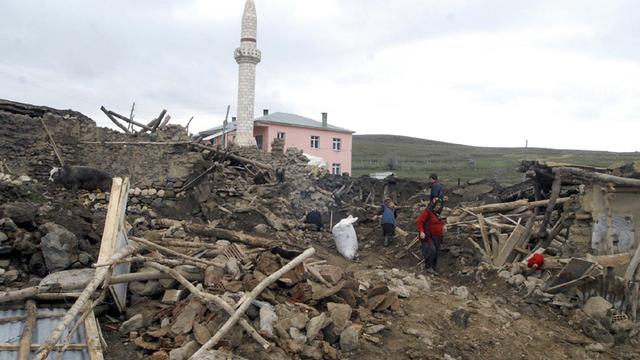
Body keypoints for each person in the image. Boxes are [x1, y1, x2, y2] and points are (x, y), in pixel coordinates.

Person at [416, 198, 445, 275]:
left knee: (436, 253)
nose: (438, 206)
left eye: (440, 205)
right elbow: (420, 222)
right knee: (431, 250)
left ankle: (433, 268)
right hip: (428, 236)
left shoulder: (437, 214)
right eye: (437, 205)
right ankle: (428, 267)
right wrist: (421, 231)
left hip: (437, 237)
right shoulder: (427, 212)